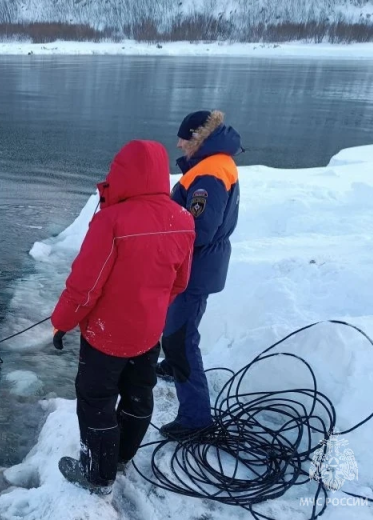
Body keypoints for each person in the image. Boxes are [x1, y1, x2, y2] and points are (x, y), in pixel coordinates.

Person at [50, 139, 196, 494]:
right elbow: (180, 282)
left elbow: (85, 287)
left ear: (122, 172)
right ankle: (121, 457)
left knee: (96, 401)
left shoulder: (111, 220)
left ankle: (98, 475)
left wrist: (62, 322)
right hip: (149, 333)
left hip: (106, 336)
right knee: (138, 394)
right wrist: (149, 307)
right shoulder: (183, 218)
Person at [155, 109, 243, 441]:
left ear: (197, 138)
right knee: (179, 325)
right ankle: (172, 366)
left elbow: (198, 229)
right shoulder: (216, 163)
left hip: (196, 266)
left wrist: (163, 245)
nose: (178, 144)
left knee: (180, 338)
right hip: (202, 263)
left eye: (182, 139)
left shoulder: (209, 174)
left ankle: (195, 417)